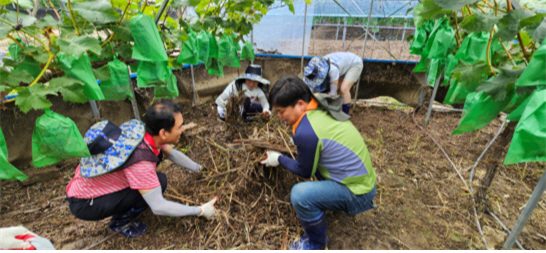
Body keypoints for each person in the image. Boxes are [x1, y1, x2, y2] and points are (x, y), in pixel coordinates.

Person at [66, 100, 218, 238]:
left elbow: (173, 154)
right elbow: (158, 206)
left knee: (158, 181)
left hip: (91, 188)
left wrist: (201, 169)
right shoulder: (140, 162)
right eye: (179, 126)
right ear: (163, 133)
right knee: (158, 183)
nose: (183, 129)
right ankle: (119, 223)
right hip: (85, 202)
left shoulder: (143, 134)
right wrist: (199, 210)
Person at [260, 75, 377, 250]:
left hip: (359, 194)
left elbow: (305, 171)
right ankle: (330, 201)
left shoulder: (306, 132)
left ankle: (316, 242)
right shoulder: (318, 107)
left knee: (300, 195)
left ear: (300, 104)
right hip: (363, 182)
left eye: (282, 111)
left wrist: (278, 159)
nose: (279, 116)